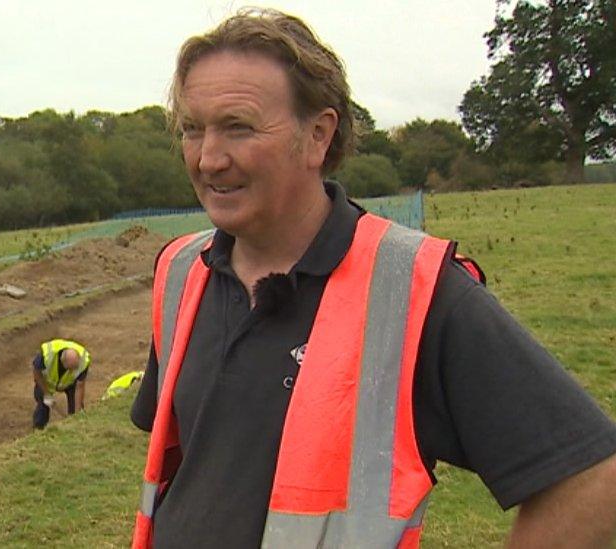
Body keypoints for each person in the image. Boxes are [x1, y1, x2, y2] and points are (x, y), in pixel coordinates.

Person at [130, 8, 616, 548]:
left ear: (318, 135)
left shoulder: (414, 291)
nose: (208, 159)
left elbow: (592, 480)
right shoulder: (179, 272)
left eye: (238, 128)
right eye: (193, 129)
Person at [32, 339, 90, 429]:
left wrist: (78, 412)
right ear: (63, 362)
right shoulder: (47, 355)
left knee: (76, 409)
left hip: (70, 384)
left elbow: (80, 386)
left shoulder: (83, 361)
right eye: (70, 369)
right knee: (43, 406)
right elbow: (36, 372)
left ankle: (76, 428)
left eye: (74, 369)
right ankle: (38, 430)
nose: (72, 372)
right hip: (46, 382)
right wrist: (47, 394)